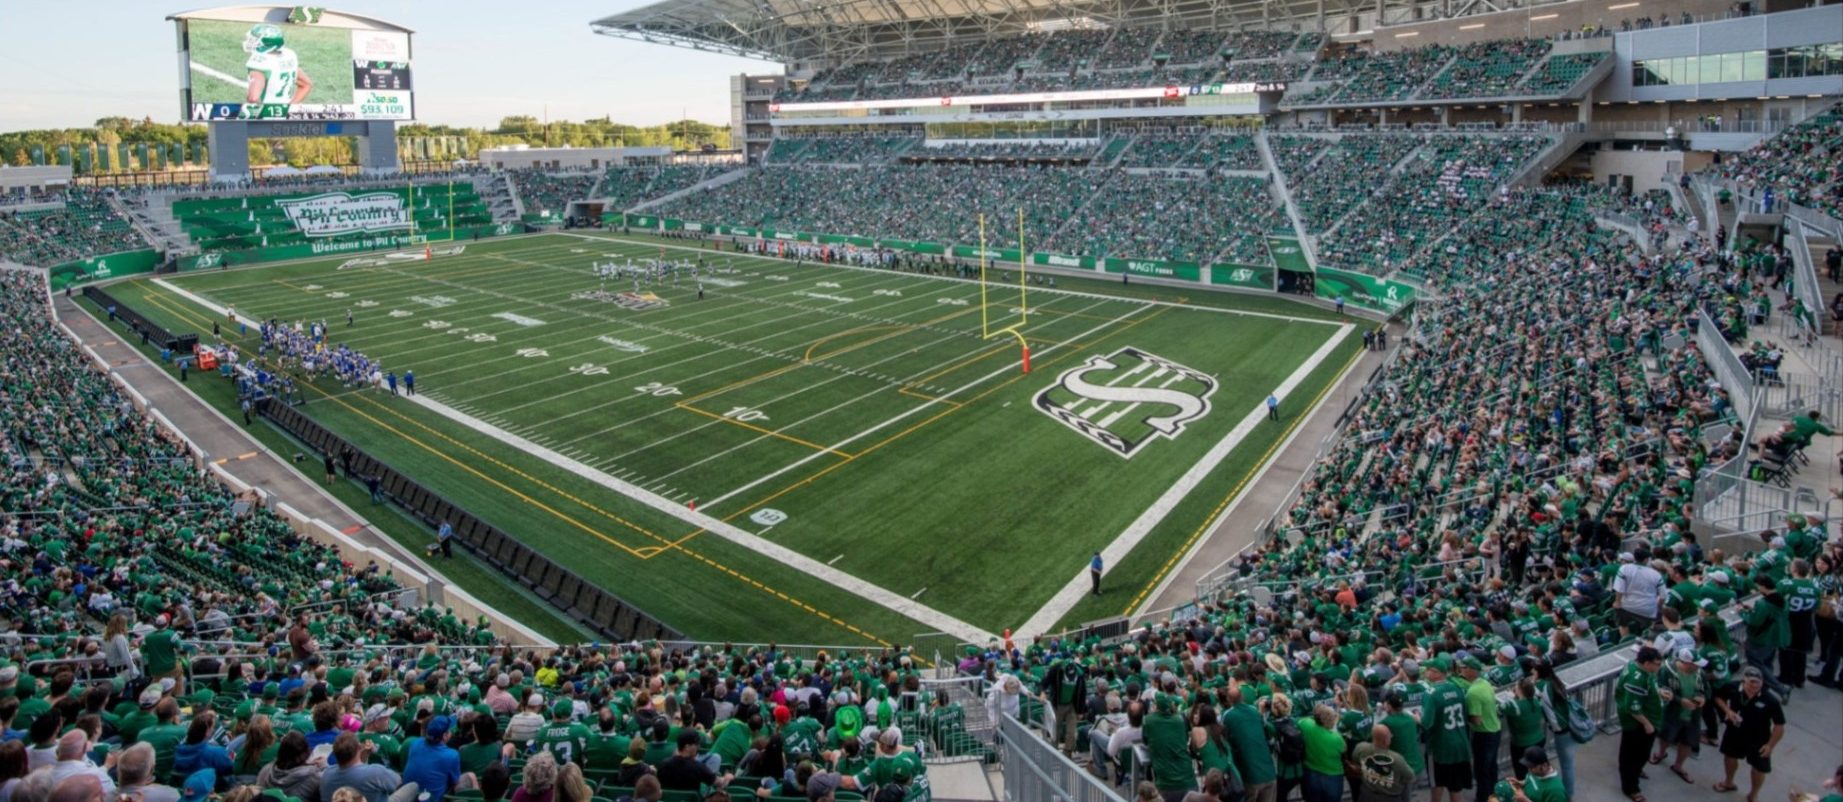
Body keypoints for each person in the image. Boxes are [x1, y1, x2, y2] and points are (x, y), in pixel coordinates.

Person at [1713, 667, 1785, 800]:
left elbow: (1779, 726)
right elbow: (1718, 698)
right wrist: (1728, 711)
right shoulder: (1732, 687)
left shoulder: (1770, 700)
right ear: (1743, 681)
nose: (1754, 688)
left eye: (1757, 685)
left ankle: (1753, 794)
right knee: (1730, 756)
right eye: (1751, 684)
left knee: (1759, 768)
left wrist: (1770, 745)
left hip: (1759, 738)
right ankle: (1728, 782)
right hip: (1735, 731)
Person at [1615, 646, 1664, 802]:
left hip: (1650, 717)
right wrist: (1647, 724)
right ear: (1647, 663)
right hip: (1637, 724)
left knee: (1642, 752)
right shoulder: (1636, 679)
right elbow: (1632, 706)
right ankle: (1631, 787)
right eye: (1657, 664)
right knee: (1632, 754)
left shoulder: (1643, 670)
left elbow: (1648, 689)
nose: (1659, 667)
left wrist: (1659, 693)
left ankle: (1636, 770)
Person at [1650, 649, 1706, 784]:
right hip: (1672, 713)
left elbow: (1706, 690)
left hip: (1692, 715)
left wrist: (1702, 697)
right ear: (1686, 663)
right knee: (1666, 735)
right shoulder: (1666, 671)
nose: (1697, 667)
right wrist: (1680, 700)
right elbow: (1662, 689)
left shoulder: (1700, 673)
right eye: (1695, 664)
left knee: (1687, 741)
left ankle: (1678, 766)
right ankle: (1661, 753)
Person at [1423, 657, 1472, 802]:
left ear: (1436, 673)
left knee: (1437, 785)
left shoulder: (1431, 693)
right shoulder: (1457, 688)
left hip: (1441, 747)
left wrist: (1415, 717)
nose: (1425, 672)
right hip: (1461, 743)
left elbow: (1426, 723)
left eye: (1428, 670)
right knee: (1455, 788)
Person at [1220, 686, 1275, 802]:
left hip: (1250, 777)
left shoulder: (1227, 716)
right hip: (1269, 773)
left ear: (1228, 699)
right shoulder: (1255, 711)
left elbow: (1223, 739)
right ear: (1242, 696)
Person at [1460, 656, 1501, 802]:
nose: (1461, 670)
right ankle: (1495, 795)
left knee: (1482, 770)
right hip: (1495, 731)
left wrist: (1464, 716)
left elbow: (1476, 720)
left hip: (1484, 735)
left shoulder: (1473, 692)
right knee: (1491, 768)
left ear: (1472, 670)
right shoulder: (1485, 683)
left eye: (1464, 667)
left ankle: (1483, 798)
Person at [1142, 692, 1194, 802]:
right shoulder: (1180, 719)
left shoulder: (1148, 720)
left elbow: (1145, 740)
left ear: (1156, 706)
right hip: (1189, 781)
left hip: (1167, 784)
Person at [321, 733, 403, 802]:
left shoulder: (327, 774)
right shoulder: (375, 772)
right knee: (410, 787)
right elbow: (398, 782)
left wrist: (364, 757)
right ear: (359, 748)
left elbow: (355, 771)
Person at [402, 716, 463, 802]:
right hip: (433, 799)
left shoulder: (415, 743)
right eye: (449, 730)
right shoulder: (452, 755)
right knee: (468, 777)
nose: (451, 732)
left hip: (408, 797)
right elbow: (455, 782)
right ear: (444, 736)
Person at [1351, 724, 1414, 802]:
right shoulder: (1397, 759)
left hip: (1366, 794)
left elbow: (1355, 761)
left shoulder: (1360, 747)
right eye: (1390, 736)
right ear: (1386, 741)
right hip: (1389, 798)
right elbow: (1410, 777)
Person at [657, 729, 729, 792]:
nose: (698, 746)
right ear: (687, 747)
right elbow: (719, 783)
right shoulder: (699, 768)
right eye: (696, 744)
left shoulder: (663, 765)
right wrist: (727, 777)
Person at [1299, 705, 1344, 802]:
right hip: (1332, 776)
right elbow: (1343, 750)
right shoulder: (1336, 738)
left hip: (1311, 774)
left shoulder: (1306, 724)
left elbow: (1301, 721)